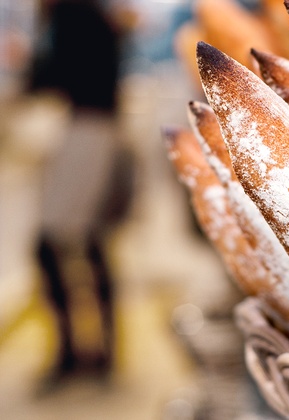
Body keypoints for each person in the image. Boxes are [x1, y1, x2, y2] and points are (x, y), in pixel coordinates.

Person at [28, 0, 132, 381]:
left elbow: (55, 74)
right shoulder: (88, 12)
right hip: (95, 129)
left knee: (51, 244)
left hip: (86, 131)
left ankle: (75, 351)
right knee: (90, 241)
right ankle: (99, 351)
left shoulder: (73, 13)